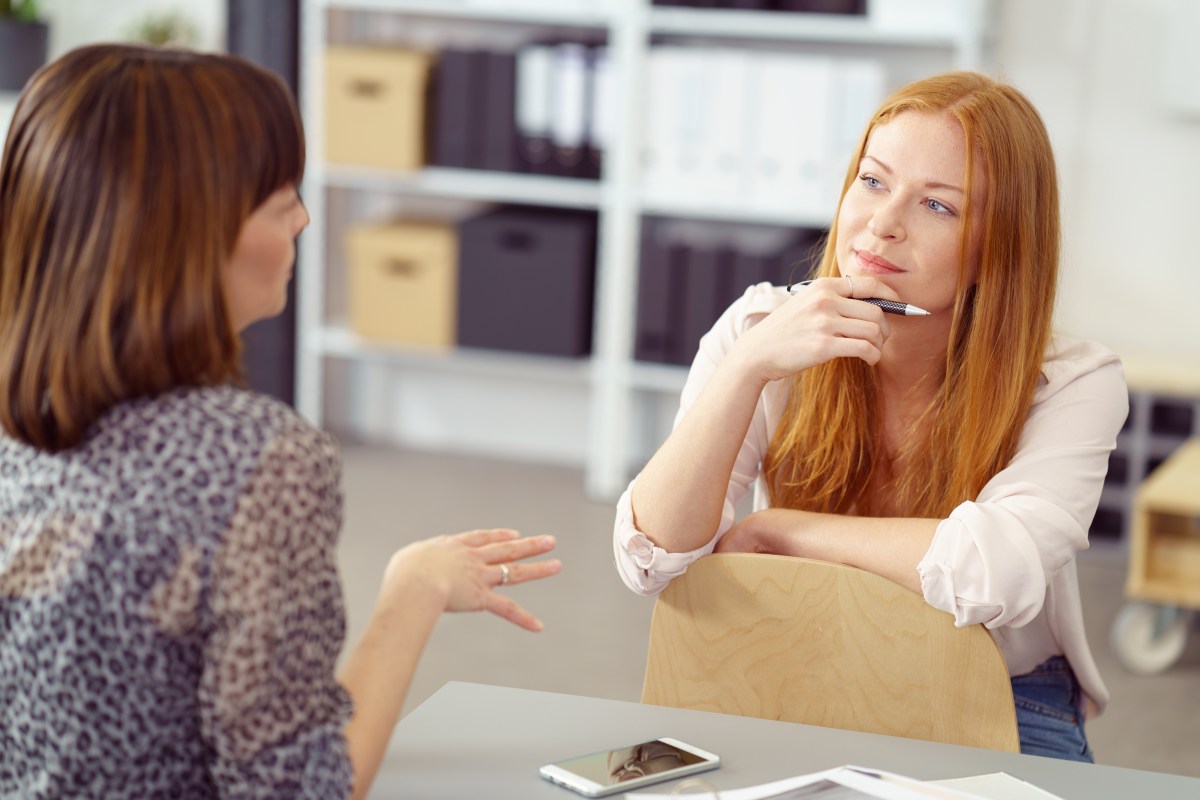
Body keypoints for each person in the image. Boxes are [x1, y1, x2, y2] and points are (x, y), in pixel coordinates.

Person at [0, 44, 561, 799]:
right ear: (186, 242)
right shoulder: (258, 460)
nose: (302, 219)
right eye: (279, 201)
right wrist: (414, 589)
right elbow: (300, 790)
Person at [613, 71, 1126, 762]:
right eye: (874, 181)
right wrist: (744, 370)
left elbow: (995, 574)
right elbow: (649, 558)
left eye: (937, 207)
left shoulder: (1072, 382)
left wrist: (780, 529)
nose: (882, 223)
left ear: (998, 245)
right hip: (798, 664)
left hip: (999, 689)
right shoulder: (763, 329)